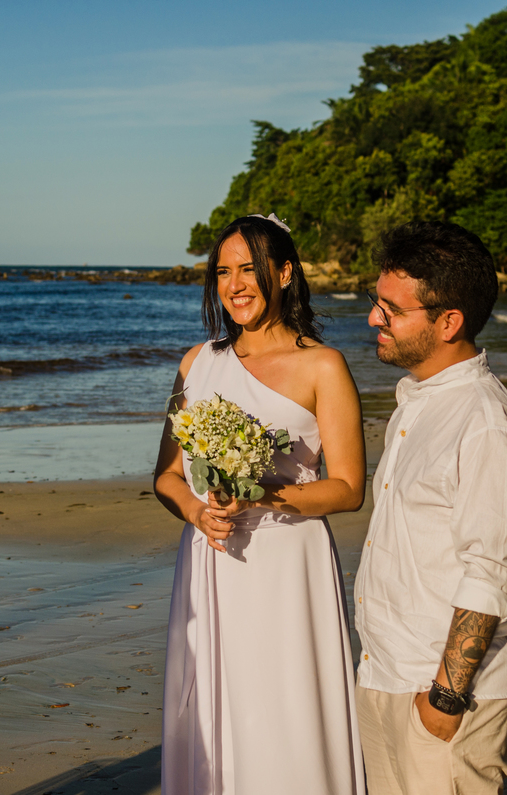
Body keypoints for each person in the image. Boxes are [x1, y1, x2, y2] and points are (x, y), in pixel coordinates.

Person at [154, 215, 367, 794]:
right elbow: (168, 476)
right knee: (214, 709)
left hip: (286, 561)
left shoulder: (323, 366)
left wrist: (261, 494)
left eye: (249, 268)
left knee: (285, 710)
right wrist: (197, 512)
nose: (234, 284)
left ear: (285, 273)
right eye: (223, 271)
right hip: (210, 557)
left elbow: (348, 487)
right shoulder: (196, 363)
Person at [353, 221, 507, 795]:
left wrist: (445, 698)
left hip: (443, 694)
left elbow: (491, 573)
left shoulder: (485, 426)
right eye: (375, 302)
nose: (373, 319)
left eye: (392, 309)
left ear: (448, 322)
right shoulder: (419, 402)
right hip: (386, 670)